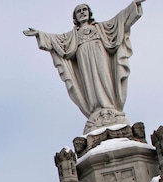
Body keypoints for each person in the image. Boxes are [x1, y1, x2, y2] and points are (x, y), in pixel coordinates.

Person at [24, 2, 144, 130]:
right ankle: (97, 109)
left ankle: (109, 105)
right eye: (79, 11)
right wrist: (39, 34)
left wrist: (134, 4)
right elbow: (57, 40)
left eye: (84, 10)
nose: (82, 12)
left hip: (99, 54)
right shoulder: (73, 35)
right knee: (89, 83)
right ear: (75, 17)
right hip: (83, 58)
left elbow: (120, 19)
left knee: (105, 77)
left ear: (89, 12)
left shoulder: (101, 27)